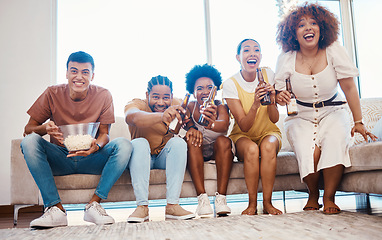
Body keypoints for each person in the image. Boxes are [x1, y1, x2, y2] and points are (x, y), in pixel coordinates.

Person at [274, 3, 377, 214]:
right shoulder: (286, 59)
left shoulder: (333, 51)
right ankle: (313, 194)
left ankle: (330, 197)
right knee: (307, 150)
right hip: (300, 115)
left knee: (334, 140)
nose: (308, 28)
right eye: (301, 25)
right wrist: (279, 95)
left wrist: (358, 122)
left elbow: (349, 87)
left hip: (333, 110)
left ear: (322, 28)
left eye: (314, 23)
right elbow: (278, 93)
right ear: (293, 32)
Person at [20, 51, 132, 228]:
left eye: (85, 72)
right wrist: (44, 128)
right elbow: (28, 130)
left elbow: (105, 134)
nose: (79, 77)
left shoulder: (103, 95)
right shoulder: (52, 93)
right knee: (29, 142)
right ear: (66, 73)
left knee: (124, 144)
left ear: (92, 76)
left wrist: (97, 145)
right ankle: (55, 209)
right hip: (61, 157)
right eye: (74, 71)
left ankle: (94, 205)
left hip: (92, 157)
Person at [221, 39, 283, 215]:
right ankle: (252, 204)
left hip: (268, 131)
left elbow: (274, 118)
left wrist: (272, 98)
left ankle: (268, 203)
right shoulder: (230, 84)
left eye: (256, 50)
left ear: (261, 56)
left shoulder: (269, 75)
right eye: (246, 50)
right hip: (242, 135)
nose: (252, 53)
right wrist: (255, 104)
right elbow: (245, 126)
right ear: (238, 57)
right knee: (251, 149)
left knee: (268, 145)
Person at [124, 75, 195, 223]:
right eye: (156, 97)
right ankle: (142, 207)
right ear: (147, 95)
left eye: (166, 98)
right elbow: (133, 117)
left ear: (171, 96)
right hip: (142, 158)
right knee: (139, 143)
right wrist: (161, 116)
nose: (161, 102)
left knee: (178, 143)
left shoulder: (177, 104)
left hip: (163, 157)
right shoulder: (137, 104)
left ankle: (172, 205)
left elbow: (189, 121)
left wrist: (191, 128)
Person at [184, 64, 234, 217]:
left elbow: (223, 125)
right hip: (196, 151)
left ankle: (221, 199)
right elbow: (184, 123)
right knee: (192, 139)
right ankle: (202, 200)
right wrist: (192, 128)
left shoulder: (221, 107)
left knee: (224, 141)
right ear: (193, 92)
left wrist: (211, 122)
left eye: (209, 87)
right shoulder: (190, 106)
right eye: (199, 88)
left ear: (216, 90)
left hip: (217, 151)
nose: (205, 92)